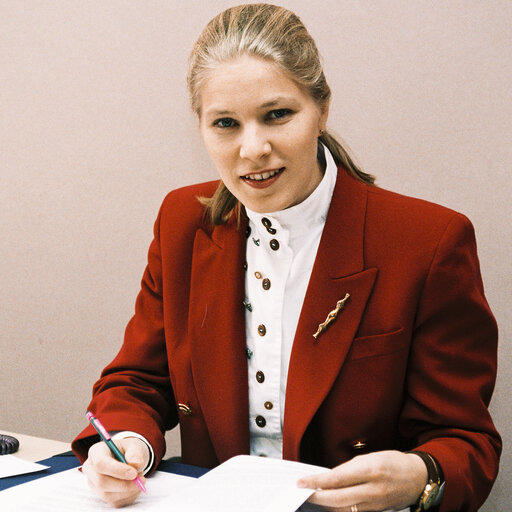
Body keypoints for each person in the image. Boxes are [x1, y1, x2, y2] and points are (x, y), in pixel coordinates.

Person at [72, 4, 501, 511]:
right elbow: (137, 380)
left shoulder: (429, 241)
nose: (253, 149)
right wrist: (128, 445)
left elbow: (466, 442)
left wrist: (419, 474)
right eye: (225, 123)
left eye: (277, 115)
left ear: (321, 108)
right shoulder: (182, 222)